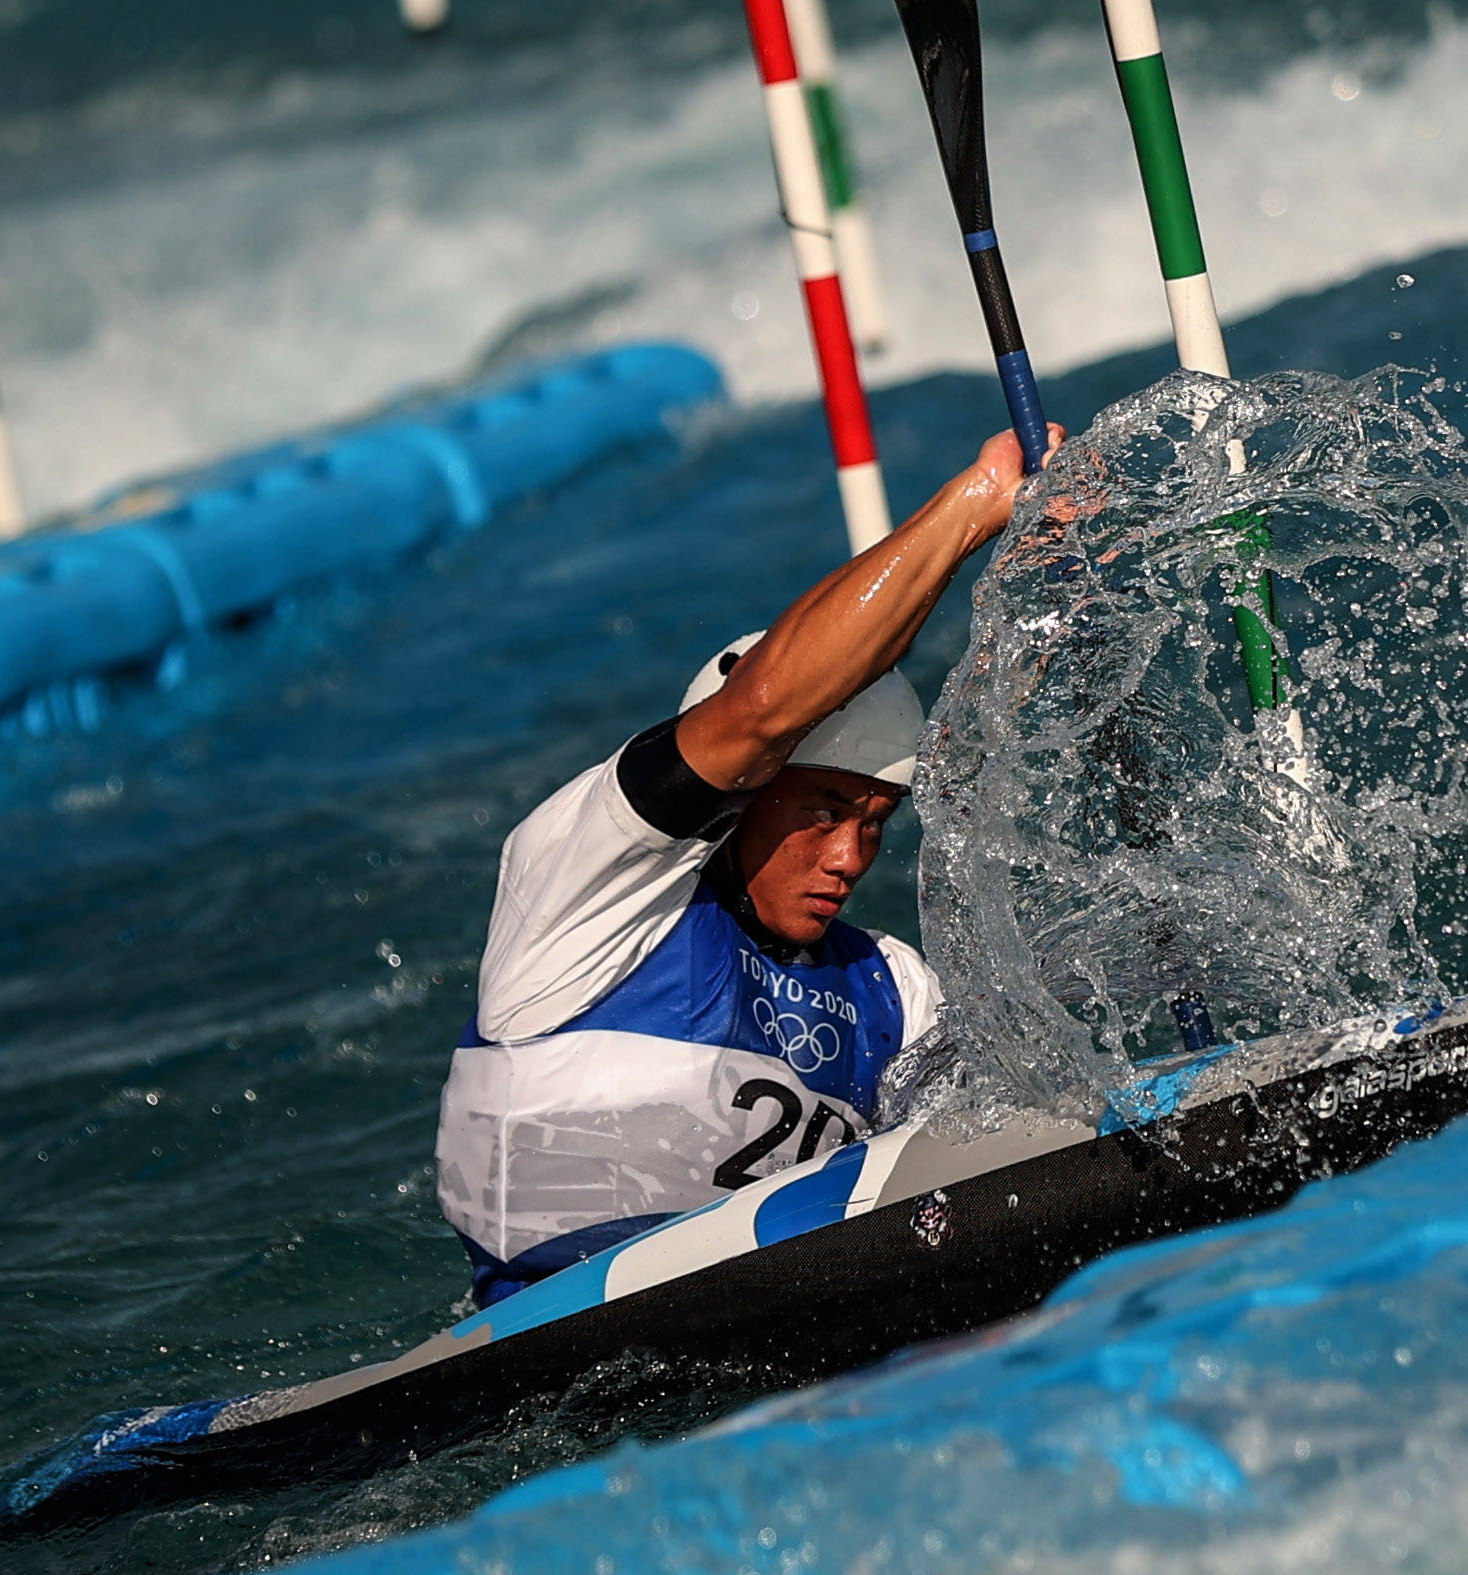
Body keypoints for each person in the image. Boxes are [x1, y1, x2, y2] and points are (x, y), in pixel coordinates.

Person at [434, 426, 1056, 1303]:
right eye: (822, 812)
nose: (850, 858)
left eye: (876, 823)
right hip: (550, 1358)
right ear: (742, 798)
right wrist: (976, 504)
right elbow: (762, 709)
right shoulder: (585, 890)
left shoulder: (894, 988)